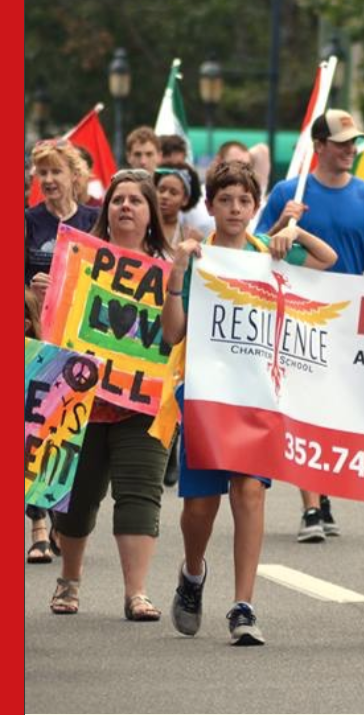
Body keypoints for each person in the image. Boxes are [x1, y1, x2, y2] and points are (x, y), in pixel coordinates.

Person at [161, 161, 337, 646]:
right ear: (211, 205)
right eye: (225, 200)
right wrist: (176, 275)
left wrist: (294, 233)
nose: (235, 209)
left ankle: (243, 605)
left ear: (256, 206)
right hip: (205, 395)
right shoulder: (198, 256)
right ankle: (192, 572)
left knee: (250, 491)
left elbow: (327, 259)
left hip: (257, 396)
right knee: (200, 508)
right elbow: (172, 333)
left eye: (244, 201)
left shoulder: (266, 252)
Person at [261, 109, 364, 541]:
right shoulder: (288, 192)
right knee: (304, 407)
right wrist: (282, 224)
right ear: (319, 147)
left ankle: (321, 492)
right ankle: (310, 508)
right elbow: (254, 248)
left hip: (349, 322)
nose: (350, 150)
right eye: (341, 143)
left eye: (353, 142)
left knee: (332, 413)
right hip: (299, 316)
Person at [49, 168, 171, 621]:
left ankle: (136, 593)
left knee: (140, 496)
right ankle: (69, 579)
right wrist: (49, 291)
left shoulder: (172, 269)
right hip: (82, 403)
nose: (125, 207)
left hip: (144, 406)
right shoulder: (79, 259)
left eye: (135, 201)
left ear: (150, 213)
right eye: (118, 200)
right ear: (106, 209)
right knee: (76, 502)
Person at [25, 140, 99, 293]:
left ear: (74, 174)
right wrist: (30, 290)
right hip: (37, 307)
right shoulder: (28, 219)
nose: (48, 179)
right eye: (43, 173)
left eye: (56, 171)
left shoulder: (94, 218)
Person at [25, 286, 61, 564]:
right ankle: (39, 526)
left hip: (46, 430)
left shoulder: (48, 361)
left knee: (40, 450)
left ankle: (59, 524)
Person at [154, 163, 203, 248]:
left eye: (173, 193)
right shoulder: (141, 229)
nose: (165, 196)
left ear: (185, 200)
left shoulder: (191, 236)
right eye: (161, 190)